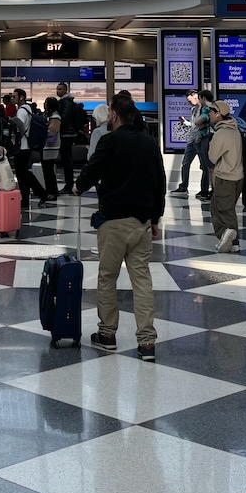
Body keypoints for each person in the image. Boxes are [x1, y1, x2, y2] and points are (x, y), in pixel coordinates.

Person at [77, 97, 165, 362]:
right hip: (141, 223)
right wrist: (156, 219)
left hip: (113, 222)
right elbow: (159, 181)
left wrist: (78, 186)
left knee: (107, 277)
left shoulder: (110, 140)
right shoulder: (149, 142)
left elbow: (94, 168)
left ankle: (107, 334)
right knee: (142, 282)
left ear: (114, 115)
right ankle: (147, 342)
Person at [207, 102, 244, 254]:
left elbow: (212, 157)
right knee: (218, 207)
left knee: (224, 210)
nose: (209, 114)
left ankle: (231, 237)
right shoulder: (235, 130)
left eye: (211, 112)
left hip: (225, 177)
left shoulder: (221, 134)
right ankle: (228, 239)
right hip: (238, 176)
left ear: (218, 114)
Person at [12, 88, 47, 211]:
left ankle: (38, 194)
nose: (12, 98)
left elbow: (18, 129)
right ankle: (30, 197)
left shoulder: (21, 111)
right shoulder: (28, 109)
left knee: (22, 174)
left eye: (14, 96)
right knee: (24, 173)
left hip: (21, 146)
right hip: (27, 145)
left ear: (21, 97)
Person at [173, 90, 207, 195]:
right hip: (192, 140)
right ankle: (184, 186)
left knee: (204, 166)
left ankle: (204, 189)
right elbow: (194, 125)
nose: (189, 103)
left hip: (200, 140)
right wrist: (185, 122)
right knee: (185, 163)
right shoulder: (193, 110)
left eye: (190, 100)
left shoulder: (204, 110)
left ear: (195, 97)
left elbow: (201, 125)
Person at [53, 82, 82, 194]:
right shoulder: (66, 101)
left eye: (60, 89)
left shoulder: (66, 102)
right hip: (68, 133)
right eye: (57, 89)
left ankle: (69, 185)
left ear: (65, 90)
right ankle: (68, 184)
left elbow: (65, 117)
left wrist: (58, 124)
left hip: (66, 134)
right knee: (66, 159)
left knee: (67, 160)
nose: (58, 91)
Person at [38, 96, 63, 207]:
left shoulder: (55, 116)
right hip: (46, 146)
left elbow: (52, 131)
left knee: (49, 170)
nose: (44, 104)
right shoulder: (49, 115)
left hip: (51, 147)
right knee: (47, 170)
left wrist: (42, 132)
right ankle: (51, 191)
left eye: (46, 103)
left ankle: (52, 192)